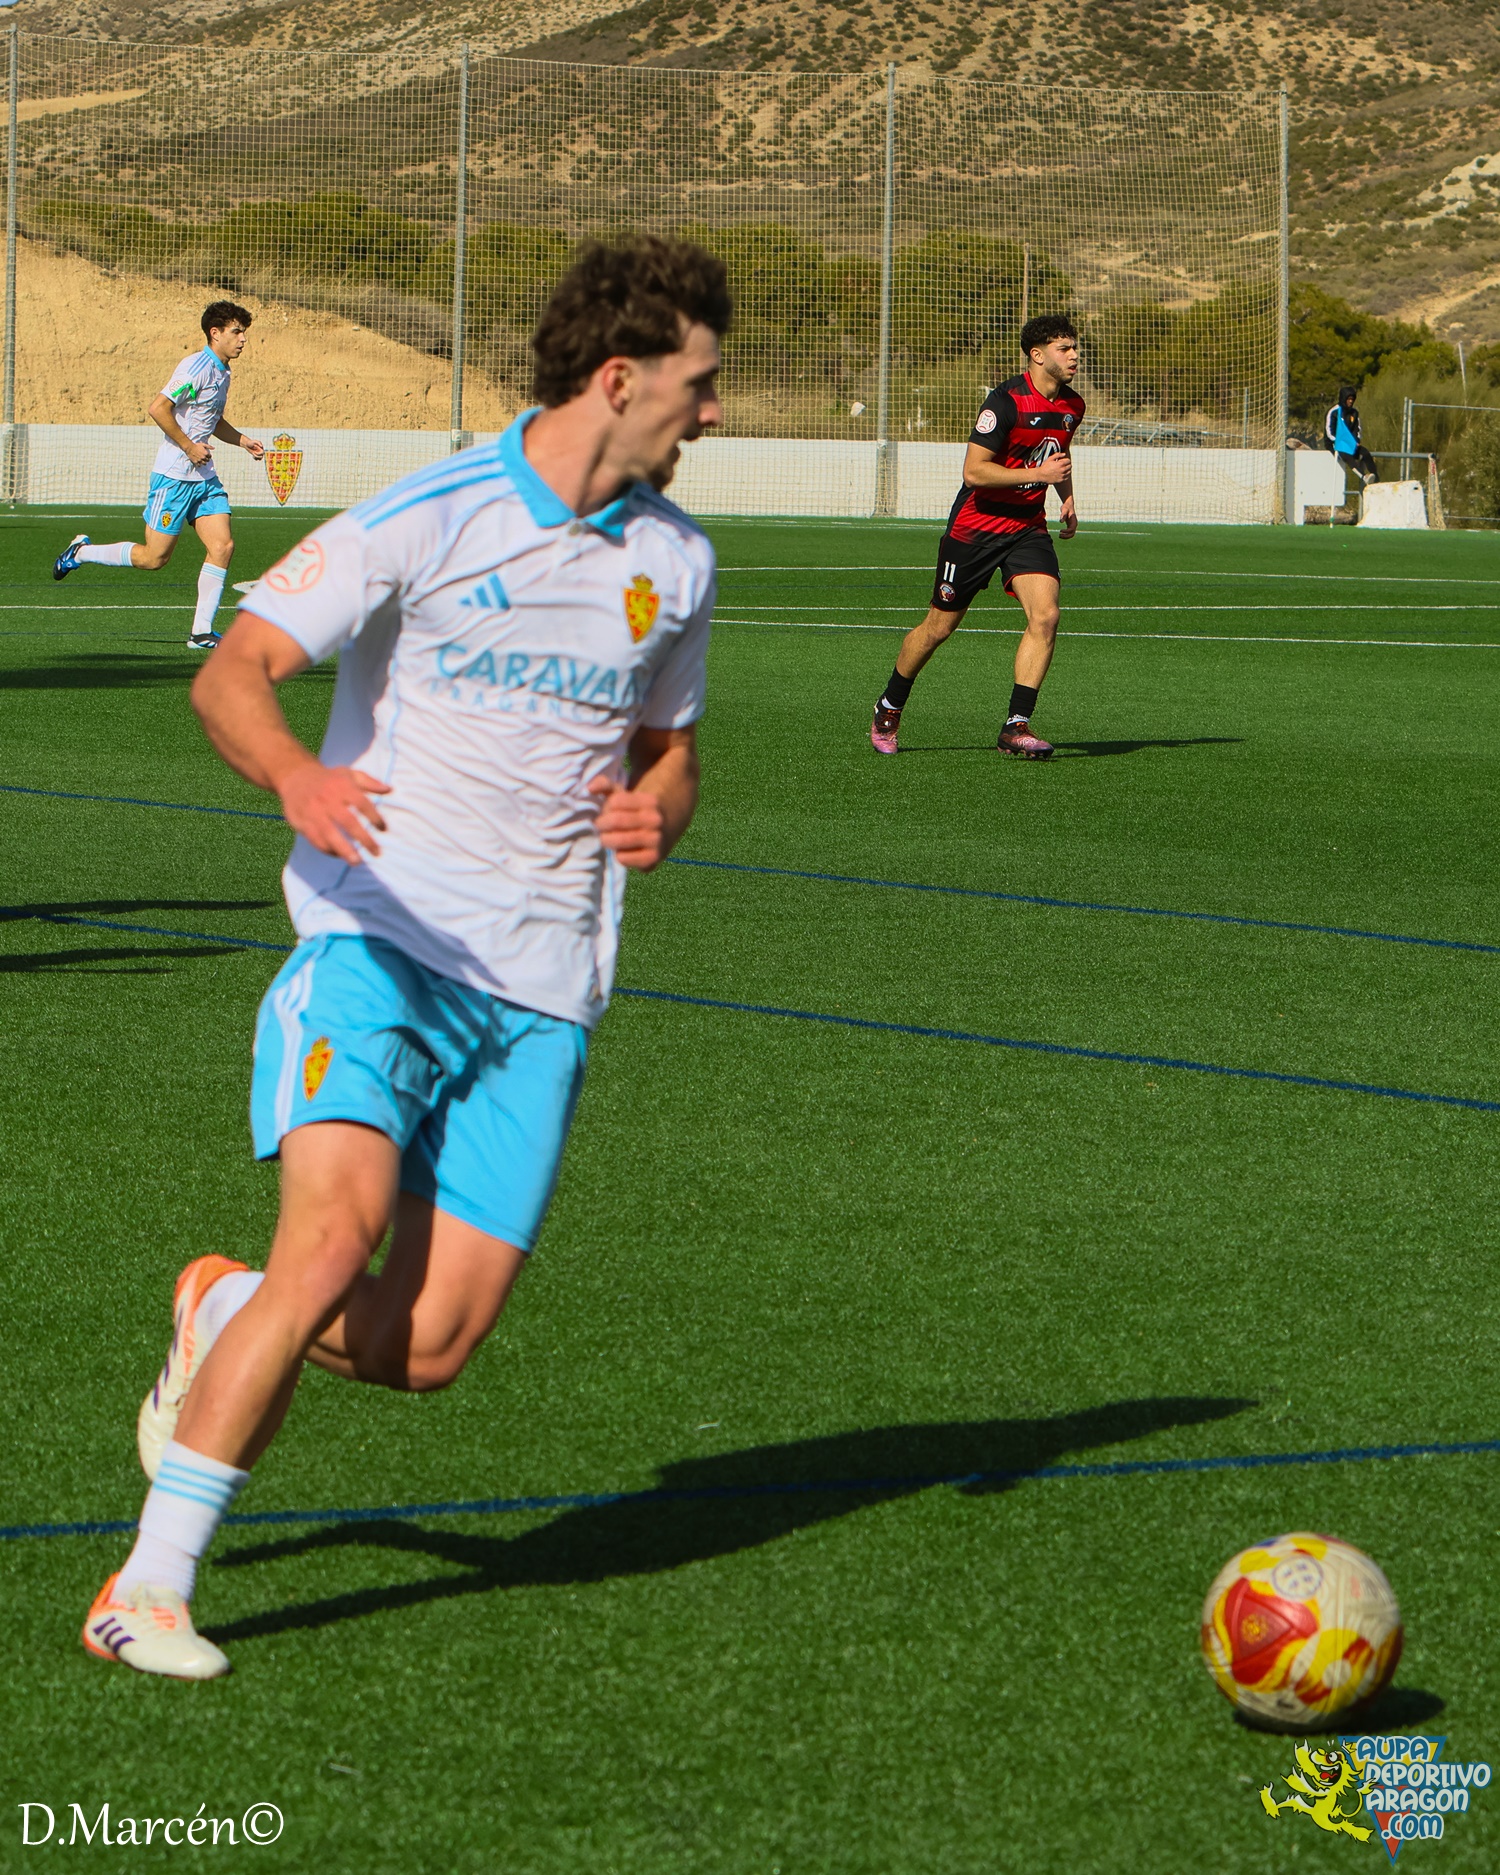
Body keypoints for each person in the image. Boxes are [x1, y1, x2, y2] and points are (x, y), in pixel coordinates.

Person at [80, 235, 731, 1680]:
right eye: (698, 382)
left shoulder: (675, 562)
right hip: (375, 940)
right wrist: (298, 779)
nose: (714, 411)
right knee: (329, 1243)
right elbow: (234, 672)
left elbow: (671, 751)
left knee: (429, 1347)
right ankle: (149, 1586)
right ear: (618, 379)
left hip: (540, 991)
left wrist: (660, 811)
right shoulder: (428, 515)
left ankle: (221, 1302)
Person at [870, 313, 1084, 760]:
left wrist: (1066, 497)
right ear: (1037, 355)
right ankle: (889, 705)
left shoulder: (1072, 406)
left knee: (1046, 616)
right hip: (976, 528)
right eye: (1064, 348)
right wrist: (1039, 475)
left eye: (1074, 347)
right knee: (938, 628)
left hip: (1027, 528)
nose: (1074, 355)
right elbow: (974, 472)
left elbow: (1057, 454)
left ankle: (1016, 725)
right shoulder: (1004, 403)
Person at [52, 300, 265, 649]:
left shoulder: (223, 371)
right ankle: (80, 553)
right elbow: (158, 408)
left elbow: (210, 419)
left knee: (222, 546)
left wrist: (242, 441)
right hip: (174, 476)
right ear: (215, 333)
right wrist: (188, 447)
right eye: (237, 332)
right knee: (154, 558)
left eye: (244, 333)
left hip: (204, 479)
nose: (243, 339)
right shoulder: (196, 367)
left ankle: (201, 632)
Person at [1323, 386, 1378, 487]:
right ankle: (1364, 477)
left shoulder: (1354, 413)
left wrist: (1356, 441)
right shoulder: (1334, 412)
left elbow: (1357, 429)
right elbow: (1329, 431)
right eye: (1348, 399)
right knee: (1347, 456)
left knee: (1365, 453)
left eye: (1352, 399)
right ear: (1343, 398)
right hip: (1335, 443)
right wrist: (1338, 441)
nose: (1350, 401)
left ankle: (1376, 478)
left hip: (1350, 443)